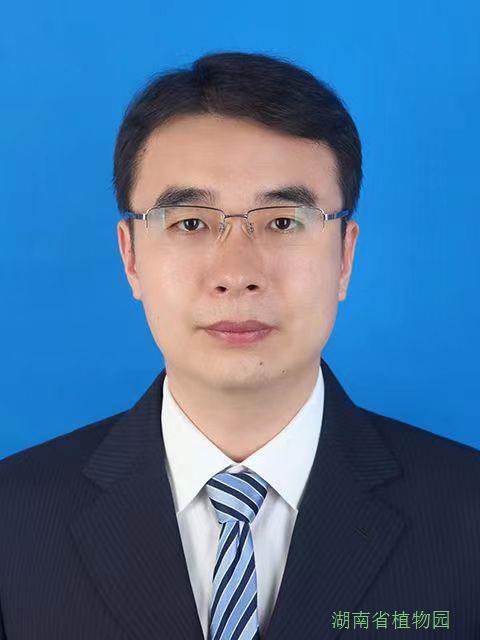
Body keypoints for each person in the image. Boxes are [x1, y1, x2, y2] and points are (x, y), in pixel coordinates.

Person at [1, 51, 479, 640]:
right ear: (131, 257)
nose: (236, 274)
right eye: (190, 223)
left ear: (345, 256)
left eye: (282, 222)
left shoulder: (467, 515)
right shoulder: (13, 519)